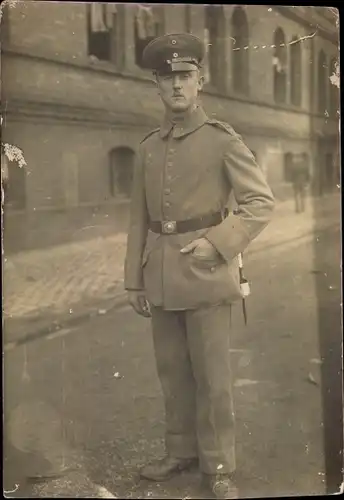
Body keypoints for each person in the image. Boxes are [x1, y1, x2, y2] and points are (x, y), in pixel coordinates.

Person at [124, 33, 275, 499]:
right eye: (167, 78)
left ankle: (219, 463)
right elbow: (137, 220)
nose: (176, 86)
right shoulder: (148, 147)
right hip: (161, 275)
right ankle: (181, 451)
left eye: (185, 76)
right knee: (172, 372)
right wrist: (133, 280)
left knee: (212, 377)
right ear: (155, 84)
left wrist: (219, 245)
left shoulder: (221, 141)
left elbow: (259, 203)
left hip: (206, 272)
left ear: (200, 81)